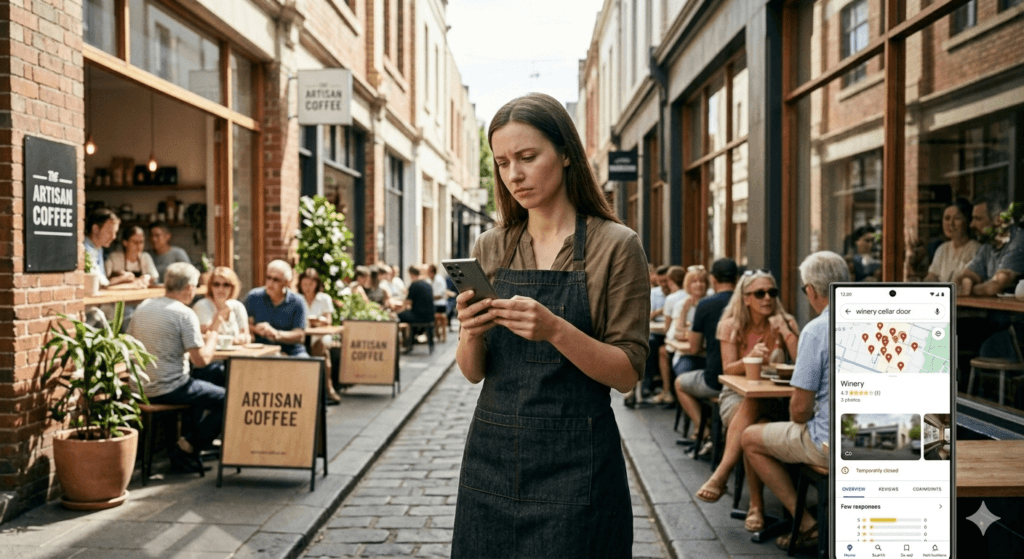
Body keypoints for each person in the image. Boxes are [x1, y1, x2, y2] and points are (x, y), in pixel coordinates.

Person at [451, 93, 650, 558]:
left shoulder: (616, 246)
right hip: (491, 456)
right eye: (502, 163)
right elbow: (472, 371)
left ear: (565, 153)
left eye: (527, 157)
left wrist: (555, 329)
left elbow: (626, 374)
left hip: (577, 463)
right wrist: (470, 331)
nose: (514, 175)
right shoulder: (491, 245)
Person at [741, 251, 849, 551]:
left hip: (831, 443)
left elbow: (800, 411)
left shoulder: (816, 330)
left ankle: (805, 524)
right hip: (886, 439)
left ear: (812, 291)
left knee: (750, 437)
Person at [694, 269, 800, 535]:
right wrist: (751, 357)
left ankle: (725, 477)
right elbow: (729, 369)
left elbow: (802, 364)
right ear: (746, 298)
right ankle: (755, 505)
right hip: (736, 397)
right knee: (754, 417)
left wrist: (786, 333)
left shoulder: (786, 322)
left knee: (756, 420)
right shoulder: (730, 325)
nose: (767, 298)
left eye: (772, 292)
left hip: (778, 399)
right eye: (760, 293)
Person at [127, 262, 223, 473]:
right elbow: (201, 360)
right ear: (188, 288)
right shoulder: (184, 314)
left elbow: (130, 342)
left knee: (203, 381)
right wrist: (213, 336)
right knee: (228, 399)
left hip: (139, 388)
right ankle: (188, 446)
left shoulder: (144, 306)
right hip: (168, 389)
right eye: (195, 286)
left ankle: (184, 449)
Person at [673, 259, 736, 451]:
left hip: (715, 381)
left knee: (680, 383)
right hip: (740, 377)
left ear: (713, 279)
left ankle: (705, 430)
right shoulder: (747, 302)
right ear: (737, 278)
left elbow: (693, 348)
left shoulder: (706, 304)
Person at [655, 266, 708, 405]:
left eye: (702, 281)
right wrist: (684, 312)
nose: (698, 284)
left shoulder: (710, 303)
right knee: (685, 373)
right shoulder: (681, 304)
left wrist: (688, 332)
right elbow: (676, 335)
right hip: (686, 355)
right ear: (687, 285)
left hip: (707, 355)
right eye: (694, 281)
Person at [954, 193, 1024, 296]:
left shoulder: (1018, 241)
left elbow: (994, 287)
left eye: (978, 219)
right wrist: (969, 281)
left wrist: (971, 289)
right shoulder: (989, 245)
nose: (971, 224)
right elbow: (964, 277)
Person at [244, 260, 309, 357]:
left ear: (286, 283)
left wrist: (276, 334)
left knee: (306, 362)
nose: (270, 283)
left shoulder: (298, 301)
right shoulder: (254, 296)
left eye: (276, 280)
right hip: (261, 349)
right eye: (268, 278)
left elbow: (300, 335)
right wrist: (256, 329)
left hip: (291, 350)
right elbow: (242, 325)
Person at [297, 268, 342, 404]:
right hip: (301, 336)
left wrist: (319, 321)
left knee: (320, 349)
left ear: (316, 284)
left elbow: (328, 321)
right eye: (304, 284)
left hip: (319, 335)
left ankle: (327, 388)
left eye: (310, 284)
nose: (307, 288)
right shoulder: (297, 299)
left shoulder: (324, 299)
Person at [649, 266, 686, 403]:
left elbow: (668, 328)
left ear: (670, 281)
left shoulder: (672, 298)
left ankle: (666, 390)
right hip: (683, 337)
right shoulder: (689, 296)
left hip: (675, 340)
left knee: (662, 351)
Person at [925, 198, 980, 283]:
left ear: (967, 221)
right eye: (947, 218)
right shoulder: (942, 249)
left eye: (957, 218)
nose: (950, 223)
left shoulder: (976, 249)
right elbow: (932, 276)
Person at [192, 266, 250, 346]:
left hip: (235, 355)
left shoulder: (238, 306)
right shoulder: (202, 305)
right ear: (210, 286)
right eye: (216, 284)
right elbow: (205, 337)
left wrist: (242, 338)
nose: (221, 288)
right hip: (213, 356)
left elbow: (246, 336)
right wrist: (220, 313)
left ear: (232, 287)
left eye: (226, 285)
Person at [84, 208, 131, 288]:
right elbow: (99, 284)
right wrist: (123, 279)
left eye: (115, 233)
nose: (113, 237)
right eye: (109, 232)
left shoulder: (99, 249)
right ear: (95, 229)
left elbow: (103, 280)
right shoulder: (84, 249)